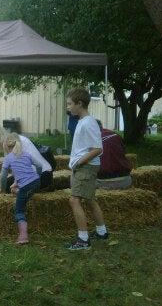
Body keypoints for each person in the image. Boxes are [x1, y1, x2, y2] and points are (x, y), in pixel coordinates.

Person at [66, 88, 106, 251]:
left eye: (70, 104)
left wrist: (78, 163)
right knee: (89, 199)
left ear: (79, 104)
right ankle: (102, 232)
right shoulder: (82, 121)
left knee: (74, 200)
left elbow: (97, 148)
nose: (68, 107)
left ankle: (83, 240)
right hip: (86, 166)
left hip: (86, 167)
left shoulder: (88, 122)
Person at [0, 133, 42, 245]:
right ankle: (20, 192)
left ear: (6, 146)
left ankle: (23, 237)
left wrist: (2, 191)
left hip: (27, 186)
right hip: (37, 182)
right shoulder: (26, 154)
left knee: (19, 210)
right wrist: (37, 176)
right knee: (24, 192)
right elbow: (39, 166)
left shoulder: (8, 158)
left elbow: (3, 176)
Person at [96, 120, 132, 189]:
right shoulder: (115, 135)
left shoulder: (90, 139)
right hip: (126, 179)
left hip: (103, 181)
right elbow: (124, 152)